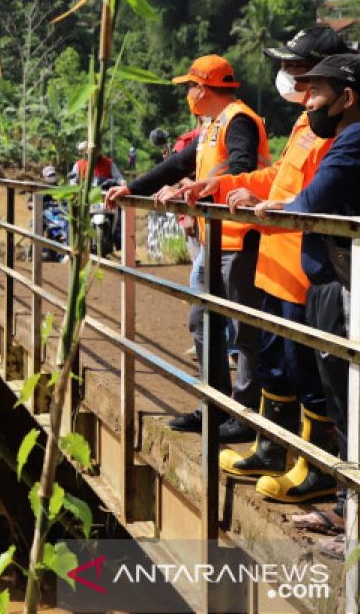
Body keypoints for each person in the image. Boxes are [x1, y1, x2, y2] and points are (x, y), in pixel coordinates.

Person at [178, 24, 354, 505]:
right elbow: (279, 176)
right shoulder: (303, 121)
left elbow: (314, 193)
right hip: (273, 263)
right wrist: (224, 185)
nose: (289, 77)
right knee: (276, 364)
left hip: (301, 268)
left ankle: (314, 463)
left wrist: (262, 196)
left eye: (298, 69)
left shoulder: (334, 128)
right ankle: (271, 448)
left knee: (306, 370)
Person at [253, 53, 360, 554]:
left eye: (316, 91)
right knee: (345, 398)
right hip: (336, 280)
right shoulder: (355, 137)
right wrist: (285, 204)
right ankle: (351, 504)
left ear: (347, 97)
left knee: (357, 401)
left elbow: (311, 202)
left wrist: (284, 207)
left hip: (348, 285)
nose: (308, 99)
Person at [105, 55, 270, 440]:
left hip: (240, 237)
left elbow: (242, 163)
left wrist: (202, 185)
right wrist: (132, 188)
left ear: (204, 87)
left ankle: (243, 415)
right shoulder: (212, 125)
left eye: (190, 87)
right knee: (203, 320)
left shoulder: (239, 119)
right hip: (215, 239)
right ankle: (212, 404)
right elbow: (178, 164)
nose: (188, 95)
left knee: (243, 329)